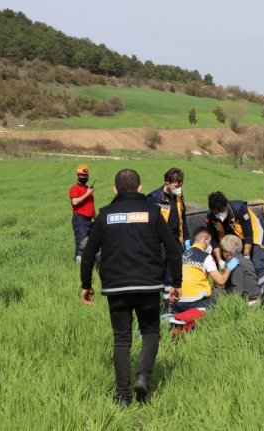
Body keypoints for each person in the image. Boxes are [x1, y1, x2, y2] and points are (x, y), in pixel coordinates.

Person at [80, 168, 182, 407]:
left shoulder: (104, 215)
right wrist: (176, 283)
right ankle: (143, 377)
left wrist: (86, 285)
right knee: (150, 332)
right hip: (149, 285)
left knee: (122, 340)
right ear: (140, 188)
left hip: (116, 287)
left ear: (115, 190)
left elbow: (87, 255)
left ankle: (123, 396)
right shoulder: (153, 213)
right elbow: (174, 250)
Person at [206, 191, 264, 305]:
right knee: (232, 267)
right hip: (235, 240)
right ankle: (237, 295)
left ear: (227, 205)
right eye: (217, 213)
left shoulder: (239, 209)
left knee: (258, 263)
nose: (220, 216)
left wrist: (246, 255)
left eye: (222, 212)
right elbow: (214, 241)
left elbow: (249, 234)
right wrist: (220, 261)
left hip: (254, 235)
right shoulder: (210, 217)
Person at [147, 167, 190, 309]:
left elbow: (182, 218)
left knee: (172, 278)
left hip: (175, 244)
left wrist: (187, 239)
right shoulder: (154, 198)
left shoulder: (178, 197)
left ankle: (169, 307)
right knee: (157, 277)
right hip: (159, 245)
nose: (179, 188)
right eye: (176, 185)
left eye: (180, 185)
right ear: (167, 183)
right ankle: (155, 306)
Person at [174, 227, 239, 313]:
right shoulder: (206, 257)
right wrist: (229, 268)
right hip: (195, 303)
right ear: (205, 240)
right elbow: (221, 281)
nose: (210, 245)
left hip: (179, 303)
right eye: (210, 241)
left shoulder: (183, 255)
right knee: (224, 296)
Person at [219, 235, 261, 304]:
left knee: (216, 293)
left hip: (250, 302)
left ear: (227, 253)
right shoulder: (244, 259)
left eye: (222, 251)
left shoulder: (236, 264)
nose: (222, 254)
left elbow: (237, 290)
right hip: (254, 298)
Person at [69, 164, 95, 263]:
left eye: (85, 175)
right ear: (77, 176)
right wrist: (88, 193)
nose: (84, 177)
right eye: (81, 175)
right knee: (81, 241)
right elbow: (75, 202)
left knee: (89, 242)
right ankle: (78, 263)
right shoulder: (75, 188)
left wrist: (96, 218)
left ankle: (87, 261)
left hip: (89, 219)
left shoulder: (87, 189)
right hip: (80, 219)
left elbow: (91, 205)